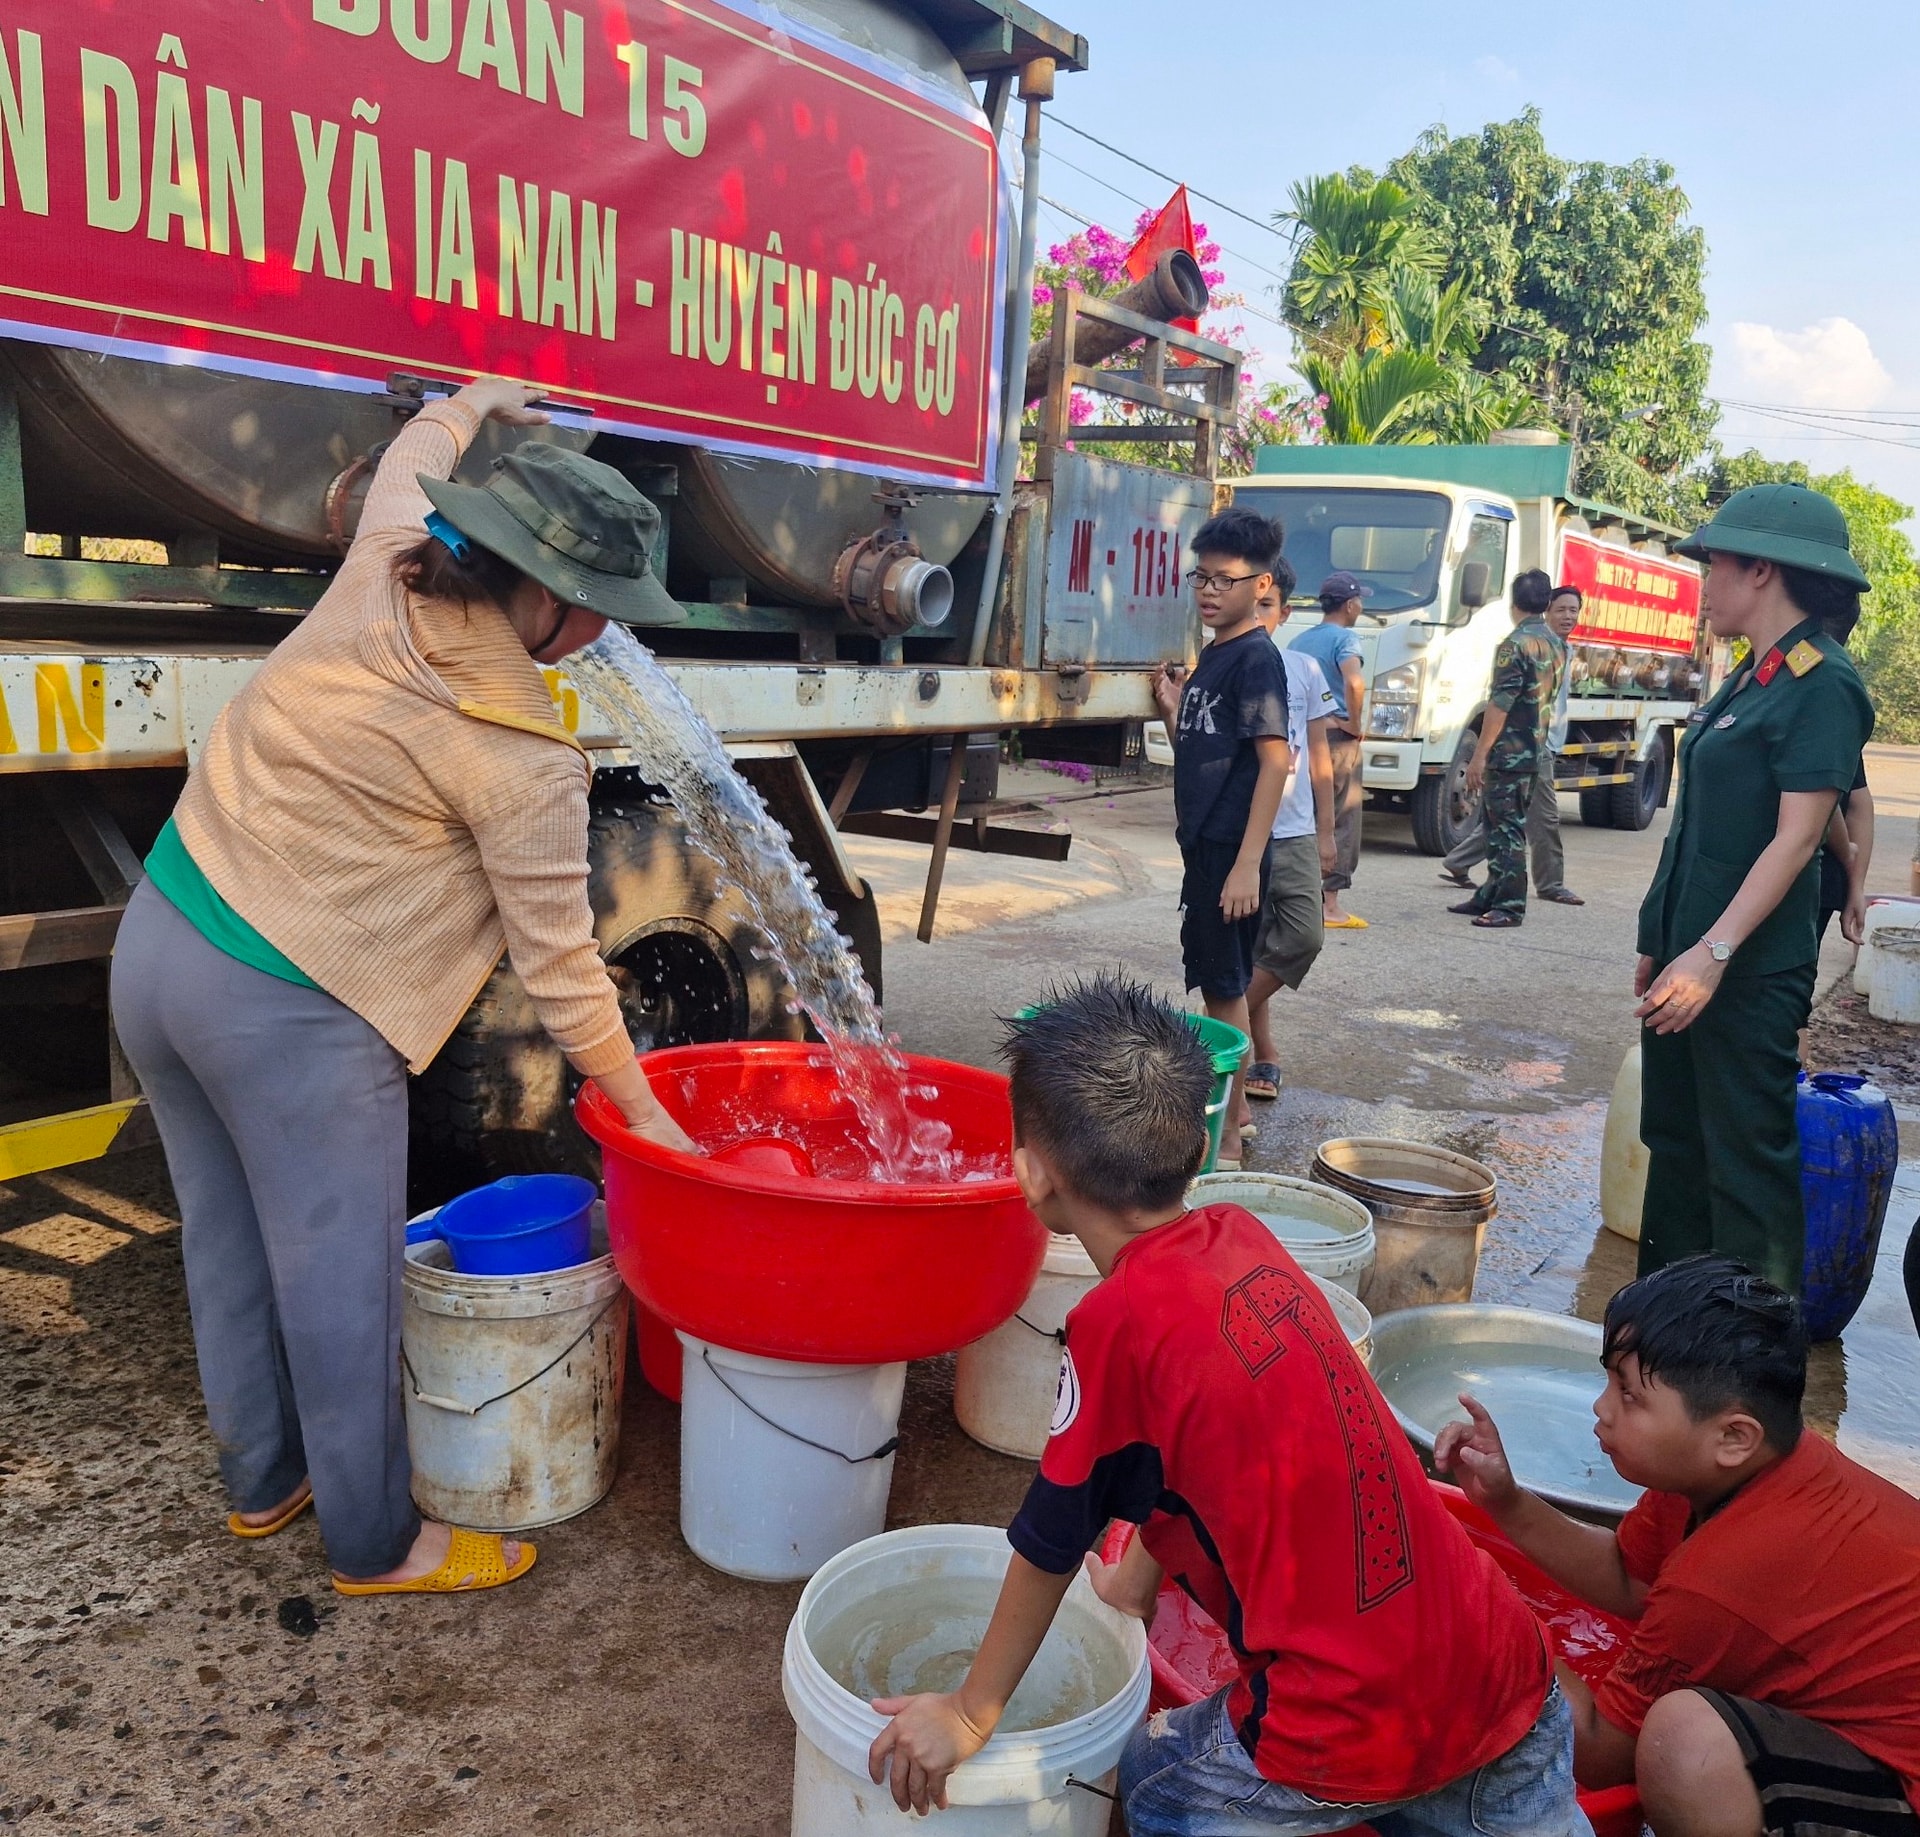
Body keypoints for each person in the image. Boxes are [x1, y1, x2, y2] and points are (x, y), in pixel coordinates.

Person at [110, 379, 699, 1597]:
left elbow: (419, 445)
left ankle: (262, 1483)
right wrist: (654, 1118)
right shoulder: (520, 747)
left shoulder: (389, 555)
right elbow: (565, 974)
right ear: (537, 594)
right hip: (290, 1003)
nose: (603, 634)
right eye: (593, 610)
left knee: (224, 1247)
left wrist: (477, 396)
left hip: (158, 940)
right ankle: (381, 1543)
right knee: (342, 1289)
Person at [866, 974, 1586, 1835]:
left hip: (1344, 1723)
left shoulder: (1116, 1325)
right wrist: (1135, 1583)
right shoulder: (1243, 1237)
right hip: (1503, 1667)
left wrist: (971, 1711)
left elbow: (1051, 1535)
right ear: (1199, 1151)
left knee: (1162, 1779)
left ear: (1030, 1175)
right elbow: (1207, 1459)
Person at [1436, 1256, 1920, 1837]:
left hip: (1901, 1782)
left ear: (1734, 1436)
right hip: (1855, 1726)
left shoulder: (1732, 1568)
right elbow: (1630, 1579)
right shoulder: (1731, 1474)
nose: (1601, 1407)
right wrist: (1505, 1502)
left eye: (1630, 1395)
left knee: (1683, 1743)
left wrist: (1486, 1605)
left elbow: (1592, 1749)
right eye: (1608, 1380)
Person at [1634, 484, 1875, 1294]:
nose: (1704, 579)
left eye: (1717, 563)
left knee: (1744, 1168)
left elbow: (1800, 837)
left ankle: (1745, 1363)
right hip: (1690, 955)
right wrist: (1659, 936)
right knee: (1677, 1148)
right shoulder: (1755, 674)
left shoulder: (1823, 682)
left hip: (1742, 970)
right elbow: (1698, 826)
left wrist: (1711, 953)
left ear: (1763, 569)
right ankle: (1658, 1347)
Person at [1151, 509, 1292, 1161]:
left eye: (1225, 580)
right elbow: (1211, 746)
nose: (1209, 590)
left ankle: (1230, 1134)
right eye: (1200, 577)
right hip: (1204, 845)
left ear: (1261, 586)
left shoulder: (1256, 658)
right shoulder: (1215, 652)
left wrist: (1246, 864)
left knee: (1227, 986)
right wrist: (1176, 709)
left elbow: (1274, 760)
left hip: (1231, 850)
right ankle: (1232, 1115)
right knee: (1217, 983)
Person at [1244, 558, 1336, 1103]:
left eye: (1266, 606)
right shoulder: (1224, 665)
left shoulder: (1303, 669)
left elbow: (1320, 754)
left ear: (1285, 610)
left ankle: (1210, 1034)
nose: (1256, 616)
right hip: (1244, 834)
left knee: (1302, 935)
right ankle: (1264, 1055)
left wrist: (1327, 832)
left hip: (1295, 830)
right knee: (1252, 945)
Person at [1440, 582, 1584, 906]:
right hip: (1535, 751)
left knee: (1506, 832)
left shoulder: (1515, 644)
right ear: (1546, 604)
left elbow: (1500, 704)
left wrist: (1479, 755)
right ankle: (1488, 894)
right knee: (1498, 826)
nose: (1567, 616)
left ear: (1513, 604)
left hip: (1510, 754)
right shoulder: (1556, 644)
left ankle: (1508, 904)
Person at [1287, 571, 1369, 929]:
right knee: (1342, 816)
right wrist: (1352, 722)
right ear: (1350, 604)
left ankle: (1299, 895)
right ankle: (1330, 904)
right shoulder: (1346, 638)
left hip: (1306, 736)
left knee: (1309, 813)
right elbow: (1354, 681)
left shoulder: (1300, 640)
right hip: (1336, 738)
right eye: (1359, 601)